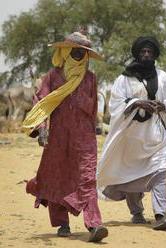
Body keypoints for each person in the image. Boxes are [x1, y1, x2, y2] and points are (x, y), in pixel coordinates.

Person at [23, 30, 108, 242]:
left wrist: (95, 128)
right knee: (58, 177)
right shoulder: (53, 76)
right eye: (76, 51)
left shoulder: (90, 79)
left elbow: (94, 109)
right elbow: (42, 103)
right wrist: (42, 128)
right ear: (67, 51)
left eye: (83, 52)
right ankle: (62, 224)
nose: (80, 55)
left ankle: (94, 224)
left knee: (87, 179)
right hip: (58, 138)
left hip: (85, 139)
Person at [97, 36, 166, 231]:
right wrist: (137, 103)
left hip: (156, 135)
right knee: (131, 174)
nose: (146, 55)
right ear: (137, 54)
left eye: (150, 52)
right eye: (143, 51)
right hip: (131, 136)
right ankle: (136, 212)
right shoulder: (123, 79)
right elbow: (115, 105)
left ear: (155, 55)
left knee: (160, 171)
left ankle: (161, 215)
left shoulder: (162, 77)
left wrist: (163, 105)